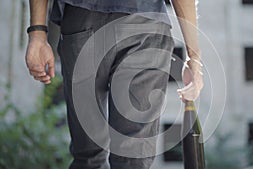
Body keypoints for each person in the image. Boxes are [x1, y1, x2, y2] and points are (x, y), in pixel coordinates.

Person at [25, 0, 204, 168]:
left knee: (89, 155)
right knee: (133, 155)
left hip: (83, 21)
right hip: (145, 24)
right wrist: (193, 58)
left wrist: (38, 33)